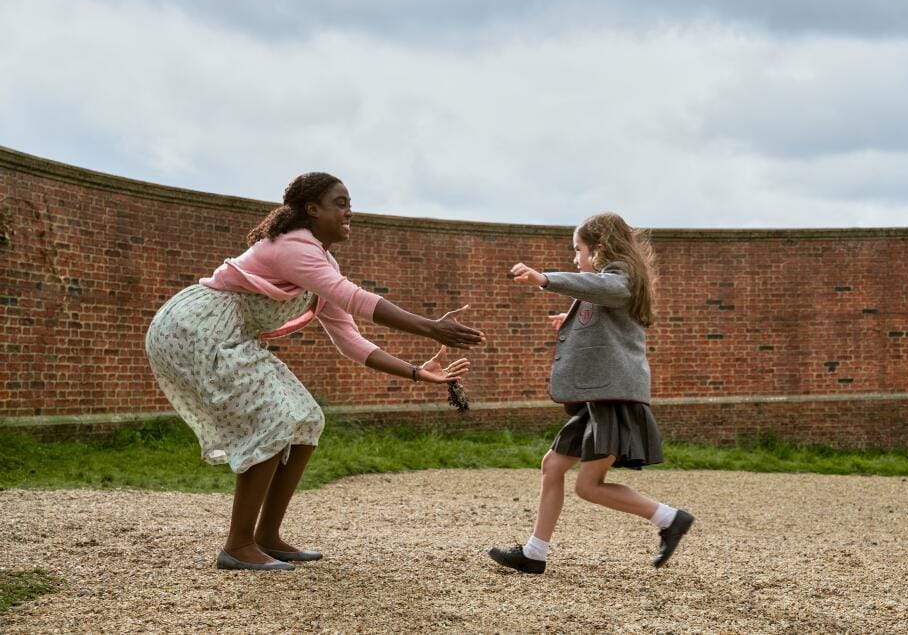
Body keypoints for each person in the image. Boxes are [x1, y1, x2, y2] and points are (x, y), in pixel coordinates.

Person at [145, 172, 483, 571]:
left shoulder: (321, 263)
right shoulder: (293, 248)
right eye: (340, 203)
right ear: (312, 210)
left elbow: (350, 338)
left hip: (231, 335)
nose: (349, 211)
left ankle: (266, 536)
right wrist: (430, 326)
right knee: (274, 419)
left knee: (307, 419)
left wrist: (415, 372)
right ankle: (237, 545)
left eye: (349, 203)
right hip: (196, 329)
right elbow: (356, 299)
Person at [488, 212, 693, 574]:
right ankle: (535, 552)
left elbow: (602, 289)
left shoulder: (623, 279)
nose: (575, 257)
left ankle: (669, 518)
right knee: (552, 466)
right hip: (597, 399)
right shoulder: (607, 282)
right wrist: (566, 321)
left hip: (614, 399)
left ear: (599, 249)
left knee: (589, 485)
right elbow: (598, 306)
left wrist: (545, 278)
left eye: (577, 249)